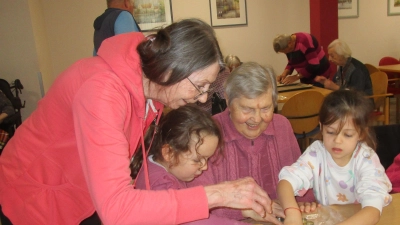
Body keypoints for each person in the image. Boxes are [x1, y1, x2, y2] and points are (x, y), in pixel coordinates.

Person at [0, 19, 273, 225]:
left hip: (81, 196)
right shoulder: (103, 91)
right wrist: (217, 195)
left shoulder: (149, 92)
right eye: (199, 86)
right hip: (33, 200)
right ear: (172, 68)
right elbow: (117, 208)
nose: (202, 98)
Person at [189, 62, 316, 224]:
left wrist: (305, 203)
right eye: (247, 109)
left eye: (265, 108)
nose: (256, 119)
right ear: (228, 100)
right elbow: (199, 206)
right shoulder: (206, 135)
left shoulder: (282, 125)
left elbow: (301, 182)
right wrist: (244, 211)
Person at [277, 90, 392, 225]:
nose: (337, 140)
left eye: (347, 135)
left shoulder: (366, 159)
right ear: (321, 127)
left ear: (361, 133)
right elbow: (285, 182)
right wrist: (291, 211)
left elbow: (372, 212)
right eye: (330, 132)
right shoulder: (316, 153)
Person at [133, 105, 249, 224]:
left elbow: (201, 208)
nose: (205, 167)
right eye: (198, 160)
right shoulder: (161, 184)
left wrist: (244, 210)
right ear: (169, 153)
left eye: (207, 159)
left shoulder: (165, 169)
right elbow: (193, 221)